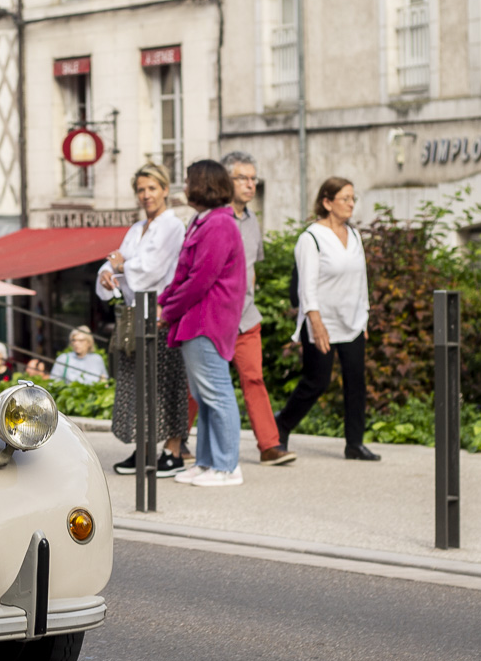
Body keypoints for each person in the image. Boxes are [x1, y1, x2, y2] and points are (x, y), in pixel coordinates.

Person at [159, 160, 249, 487]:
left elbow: (200, 279)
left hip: (207, 319)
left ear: (202, 185)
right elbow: (184, 274)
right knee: (205, 393)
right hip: (197, 319)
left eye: (188, 181)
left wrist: (166, 310)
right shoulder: (205, 221)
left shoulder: (219, 225)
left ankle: (227, 467)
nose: (185, 186)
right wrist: (165, 303)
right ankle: (209, 462)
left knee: (216, 393)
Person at [96, 163, 190, 478]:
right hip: (138, 314)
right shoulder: (137, 228)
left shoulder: (172, 226)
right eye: (141, 189)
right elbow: (115, 261)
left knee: (166, 383)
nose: (146, 195)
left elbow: (151, 269)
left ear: (165, 189)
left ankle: (174, 450)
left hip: (163, 312)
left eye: (151, 188)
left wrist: (121, 266)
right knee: (138, 383)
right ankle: (145, 446)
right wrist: (109, 272)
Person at [275, 177, 378, 461]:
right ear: (327, 202)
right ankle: (281, 425)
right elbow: (306, 286)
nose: (351, 204)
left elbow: (362, 280)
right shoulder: (311, 238)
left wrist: (364, 317)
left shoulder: (354, 235)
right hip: (322, 323)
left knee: (356, 381)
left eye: (353, 199)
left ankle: (354, 444)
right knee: (316, 382)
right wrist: (316, 323)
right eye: (345, 199)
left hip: (352, 321)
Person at [222, 152, 293, 466]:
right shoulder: (215, 218)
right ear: (228, 181)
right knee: (201, 385)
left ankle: (269, 445)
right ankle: (177, 443)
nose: (251, 185)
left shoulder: (252, 220)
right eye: (243, 179)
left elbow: (252, 268)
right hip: (217, 318)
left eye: (253, 179)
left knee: (255, 379)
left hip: (247, 317)